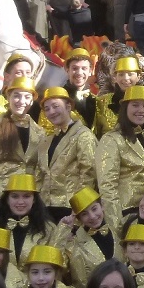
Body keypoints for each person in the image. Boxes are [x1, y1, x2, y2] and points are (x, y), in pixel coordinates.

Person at [95, 85, 144, 232]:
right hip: (126, 214)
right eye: (135, 105)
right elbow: (107, 186)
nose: (141, 110)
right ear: (125, 108)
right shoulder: (111, 140)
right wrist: (116, 224)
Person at [0, 75, 47, 212]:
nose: (21, 101)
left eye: (27, 97)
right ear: (8, 97)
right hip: (1, 199)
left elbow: (41, 169)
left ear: (32, 100)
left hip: (29, 201)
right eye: (16, 96)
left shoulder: (40, 132)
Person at [36, 87, 98, 222]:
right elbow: (39, 175)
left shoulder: (83, 135)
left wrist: (79, 209)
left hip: (70, 208)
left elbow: (89, 173)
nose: (51, 112)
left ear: (68, 106)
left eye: (55, 106)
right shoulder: (47, 140)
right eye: (47, 109)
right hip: (44, 208)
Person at [0, 174, 57, 266]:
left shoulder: (49, 229)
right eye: (15, 196)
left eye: (26, 196)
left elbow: (55, 264)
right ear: (7, 199)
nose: (20, 202)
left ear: (34, 199)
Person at [60, 188, 116, 288]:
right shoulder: (73, 244)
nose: (92, 216)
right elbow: (56, 264)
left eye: (94, 209)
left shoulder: (116, 232)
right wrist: (62, 231)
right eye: (84, 214)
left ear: (102, 206)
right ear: (79, 219)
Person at [92, 55, 144, 139]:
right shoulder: (102, 102)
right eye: (121, 74)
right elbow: (95, 134)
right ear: (115, 77)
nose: (126, 78)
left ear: (138, 77)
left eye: (130, 74)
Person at [61, 48, 98, 127]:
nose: (79, 73)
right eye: (75, 68)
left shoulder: (97, 99)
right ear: (67, 70)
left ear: (90, 71)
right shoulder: (57, 99)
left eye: (84, 68)